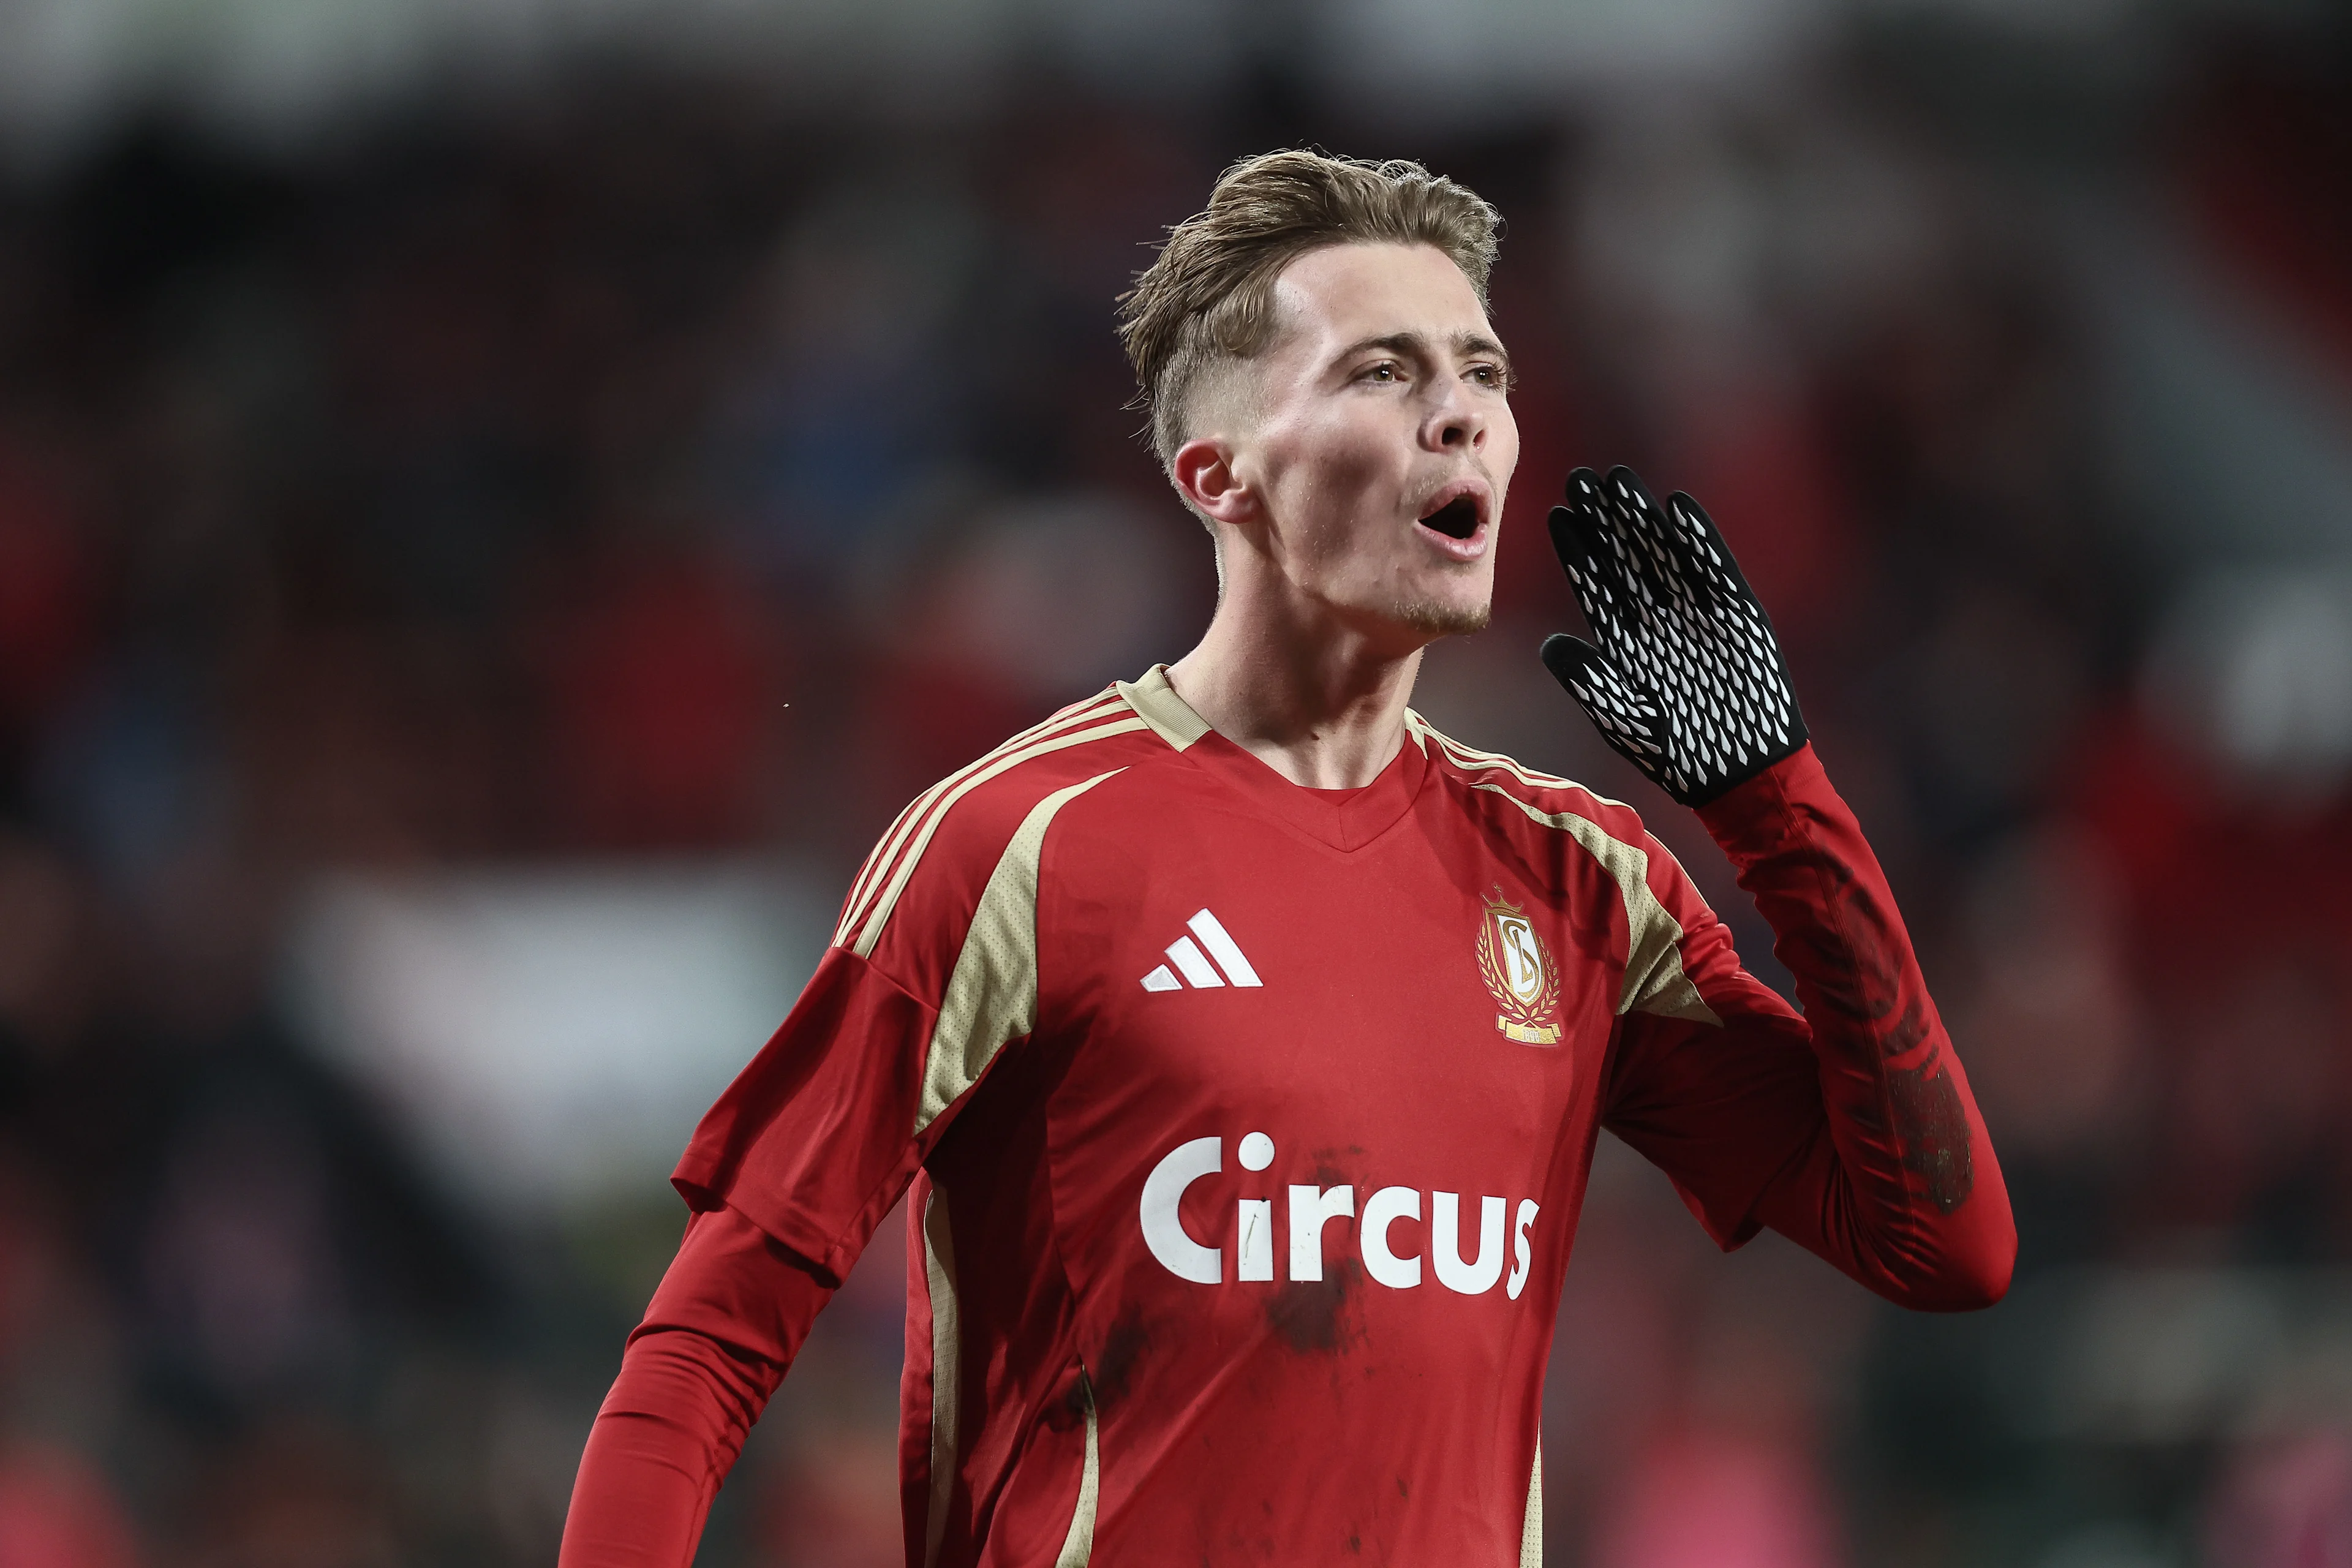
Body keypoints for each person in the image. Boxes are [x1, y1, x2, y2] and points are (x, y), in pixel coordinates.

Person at [557, 149, 2014, 1568]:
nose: (1463, 417)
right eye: (1384, 371)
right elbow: (705, 1344)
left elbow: (1944, 1246)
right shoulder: (1019, 845)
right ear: (1221, 473)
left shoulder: (1583, 882)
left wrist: (1781, 809)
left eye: (1486, 373)